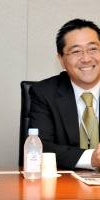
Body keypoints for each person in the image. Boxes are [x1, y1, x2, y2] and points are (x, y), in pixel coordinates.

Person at [29, 18, 100, 169]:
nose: (86, 58)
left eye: (93, 49)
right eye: (76, 51)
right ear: (61, 60)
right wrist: (91, 158)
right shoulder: (44, 92)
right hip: (64, 185)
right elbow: (40, 146)